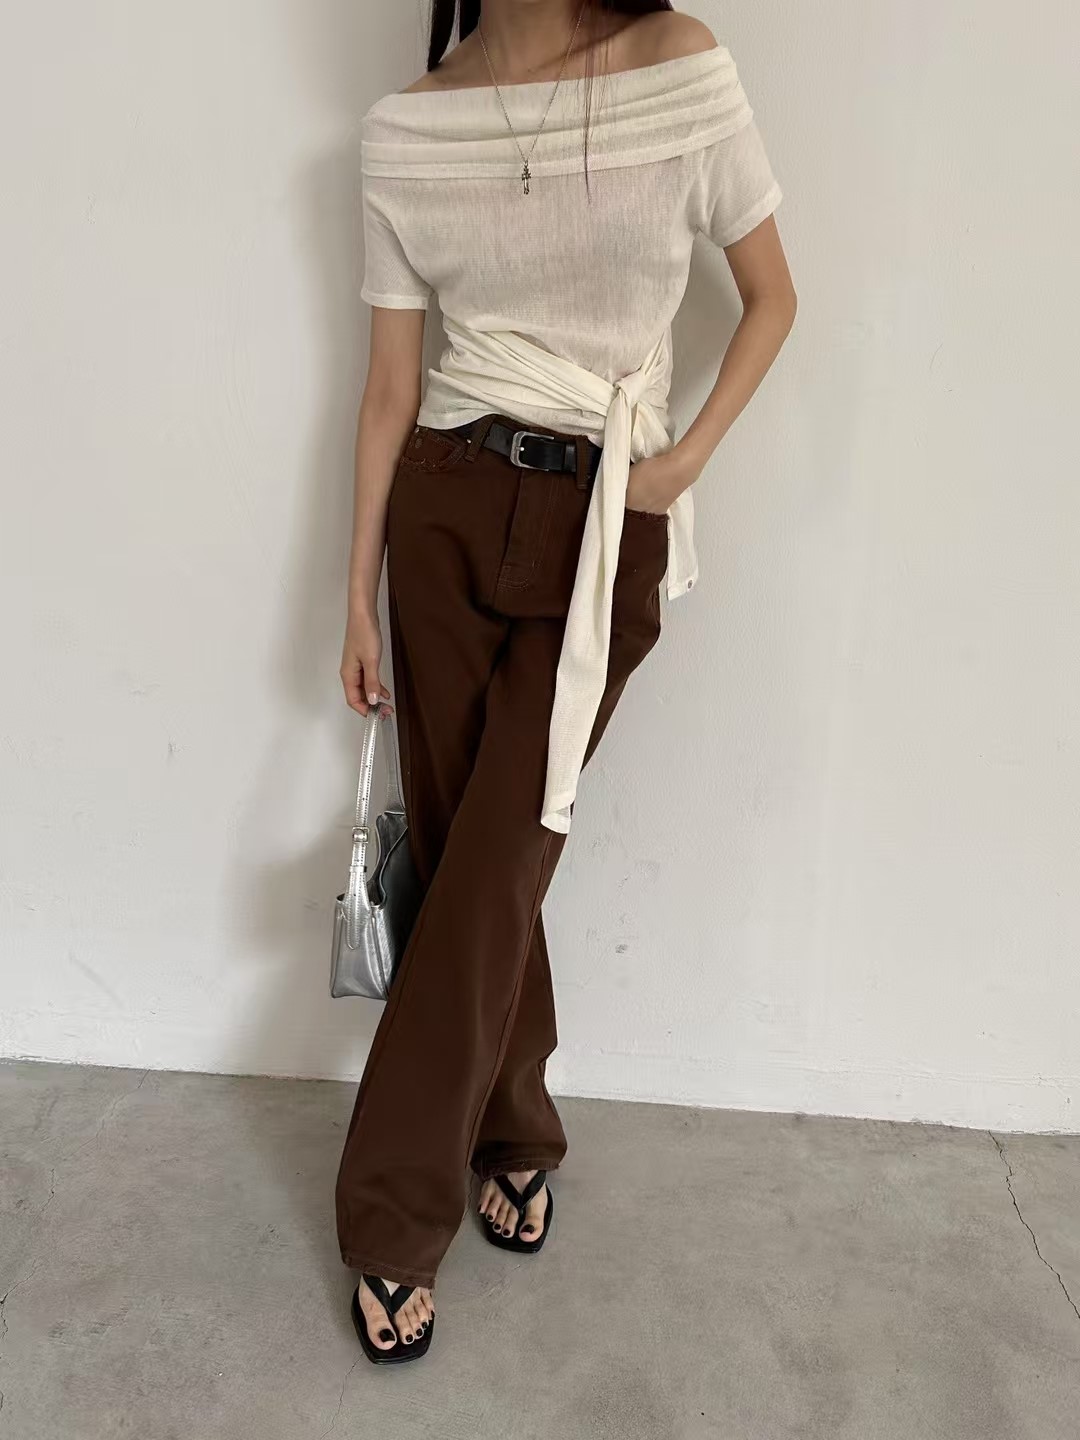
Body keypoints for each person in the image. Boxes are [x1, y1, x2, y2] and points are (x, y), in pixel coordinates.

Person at [335, 0, 796, 1363]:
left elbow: (774, 295)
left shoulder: (679, 65)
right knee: (473, 860)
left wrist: (682, 462)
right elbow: (388, 390)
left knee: (497, 858)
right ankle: (518, 1129)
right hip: (441, 509)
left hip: (604, 521)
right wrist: (351, 595)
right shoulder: (408, 124)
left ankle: (389, 1214)